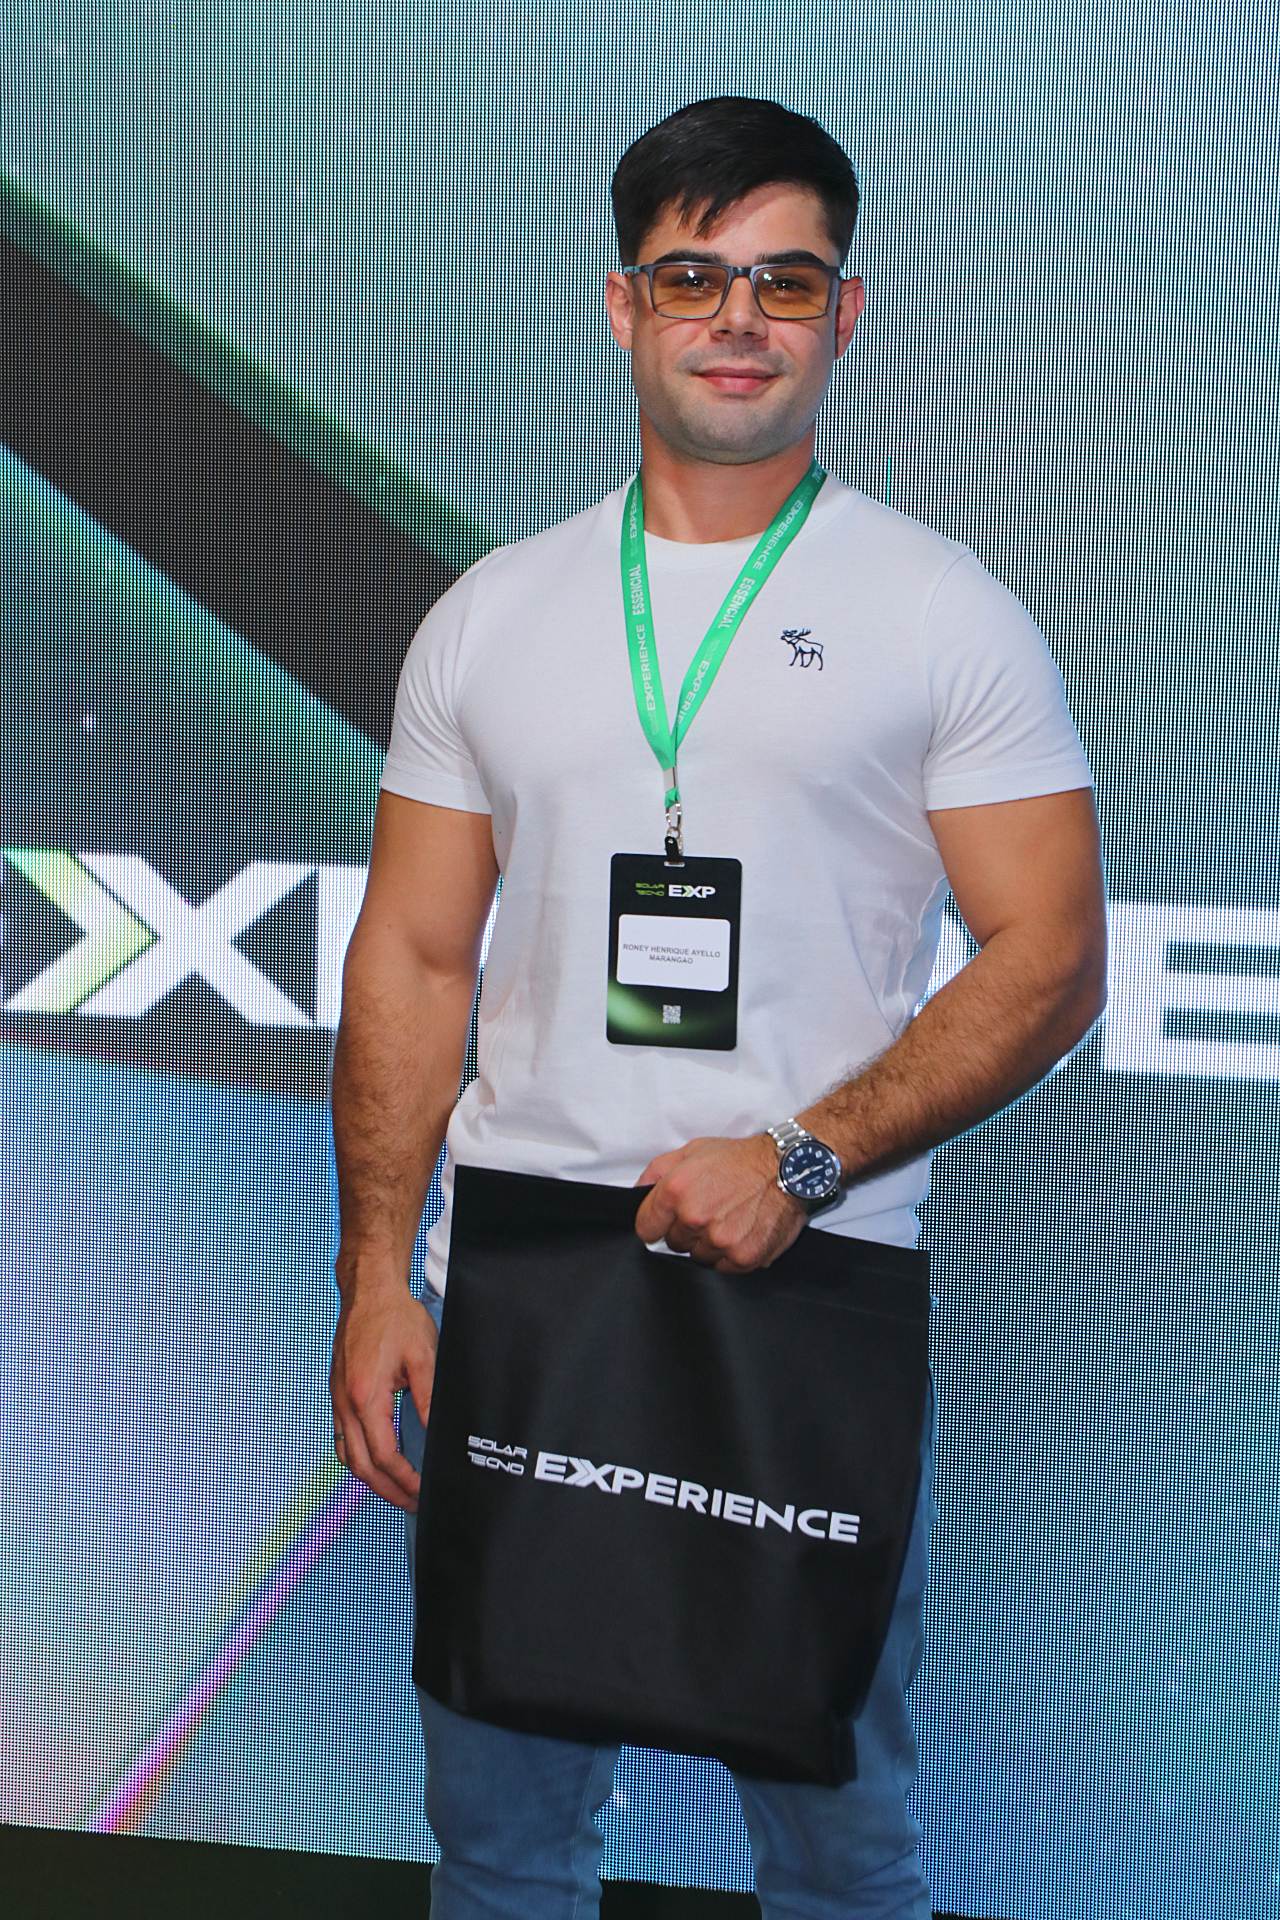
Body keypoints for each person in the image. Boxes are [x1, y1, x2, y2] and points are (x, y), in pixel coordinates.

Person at [328, 96, 1107, 1920]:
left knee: (840, 1851)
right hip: (525, 1285)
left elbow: (1053, 953)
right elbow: (415, 959)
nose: (739, 317)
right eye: (694, 276)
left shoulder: (941, 613)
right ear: (625, 305)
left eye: (785, 279)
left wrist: (804, 1156)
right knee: (502, 1844)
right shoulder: (494, 613)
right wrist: (376, 1275)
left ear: (846, 314)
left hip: (804, 1281)